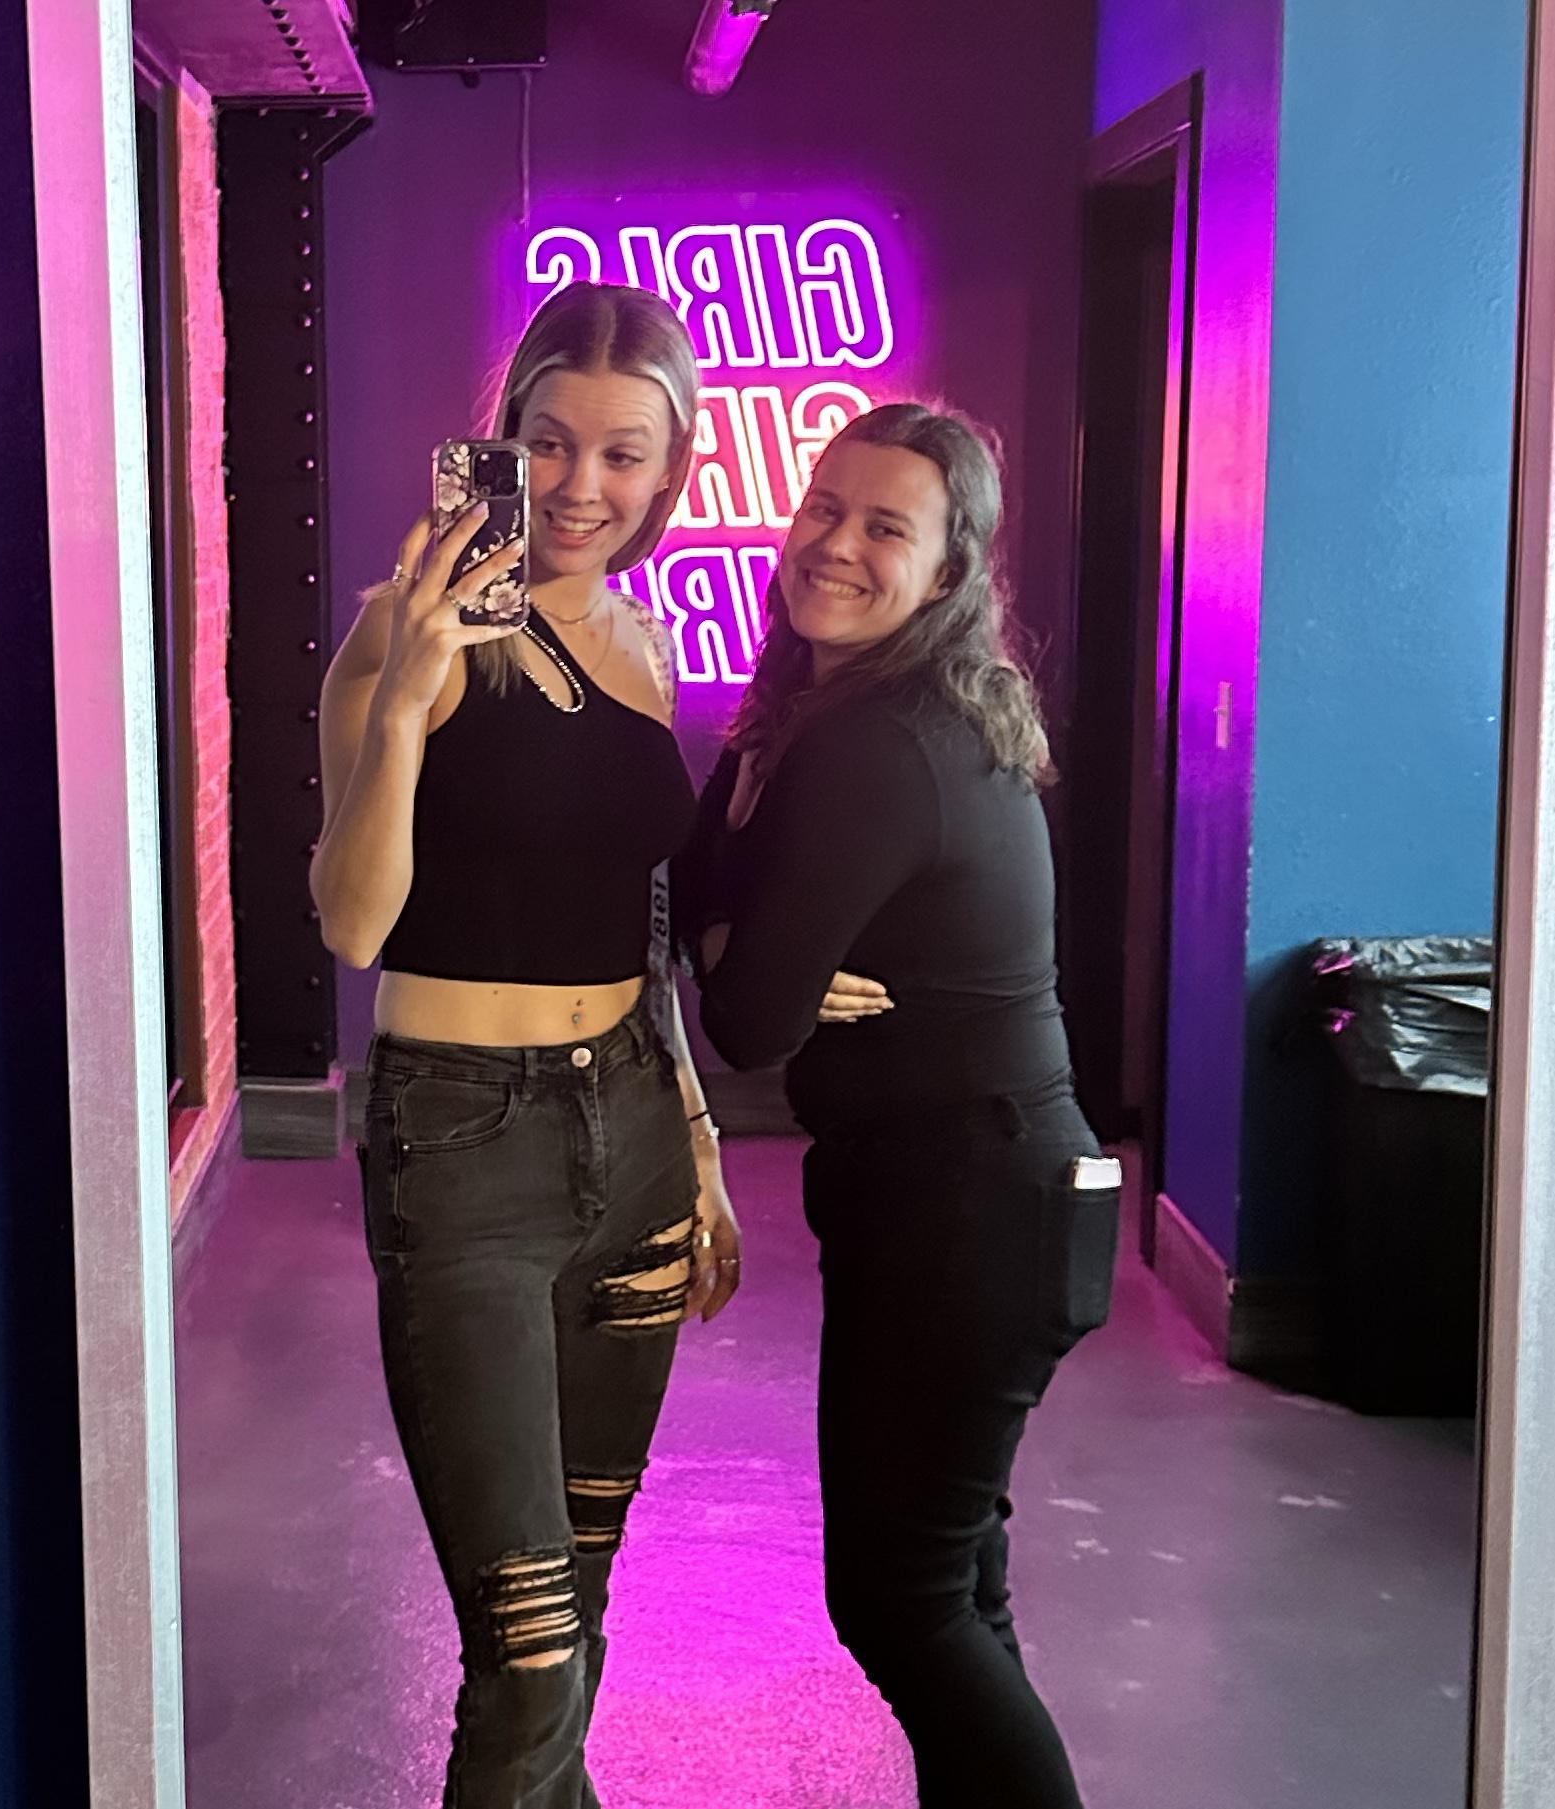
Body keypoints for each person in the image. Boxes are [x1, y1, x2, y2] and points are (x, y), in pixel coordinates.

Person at [309, 282, 742, 1809]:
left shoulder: (641, 641)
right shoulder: (405, 628)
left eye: (623, 454)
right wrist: (406, 703)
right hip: (463, 1147)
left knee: (584, 1593)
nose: (579, 487)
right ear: (500, 439)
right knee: (529, 1650)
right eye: (550, 442)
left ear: (669, 468)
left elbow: (637, 917)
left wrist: (695, 1133)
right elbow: (352, 920)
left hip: (633, 1130)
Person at [675, 402, 1116, 1808]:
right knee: (953, 1595)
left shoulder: (879, 743)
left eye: (885, 526)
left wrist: (747, 949)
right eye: (825, 506)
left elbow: (745, 1020)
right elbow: (702, 905)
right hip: (960, 1202)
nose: (837, 543)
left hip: (970, 1210)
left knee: (902, 1602)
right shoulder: (826, 713)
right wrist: (742, 928)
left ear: (946, 570)